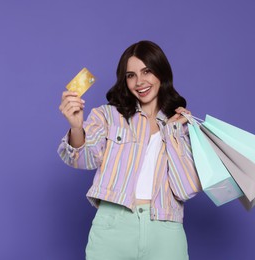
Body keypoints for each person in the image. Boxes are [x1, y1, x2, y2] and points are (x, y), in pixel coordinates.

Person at [58, 40, 201, 260]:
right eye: (131, 75)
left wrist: (173, 132)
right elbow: (83, 159)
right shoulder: (108, 116)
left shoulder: (181, 123)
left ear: (161, 72)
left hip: (166, 231)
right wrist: (77, 128)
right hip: (113, 227)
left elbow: (186, 189)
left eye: (147, 71)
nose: (139, 82)